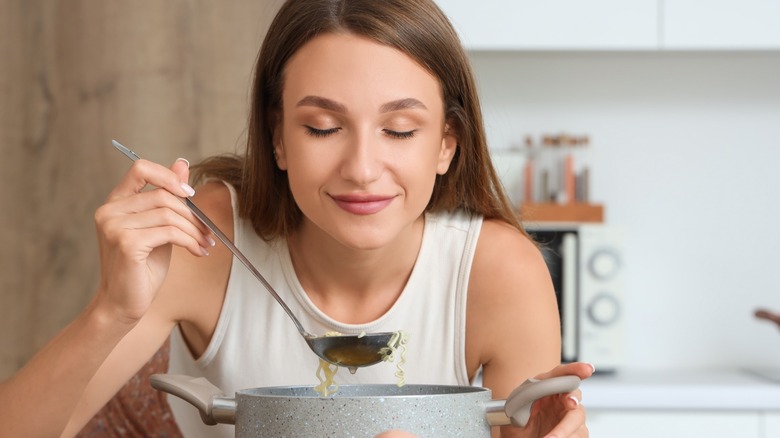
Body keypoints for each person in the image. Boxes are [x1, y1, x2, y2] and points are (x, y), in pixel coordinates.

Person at [0, 0, 593, 436]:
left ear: (446, 144)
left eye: (400, 130)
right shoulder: (208, 238)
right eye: (322, 128)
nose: (362, 168)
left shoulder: (498, 272)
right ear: (278, 139)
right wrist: (112, 310)